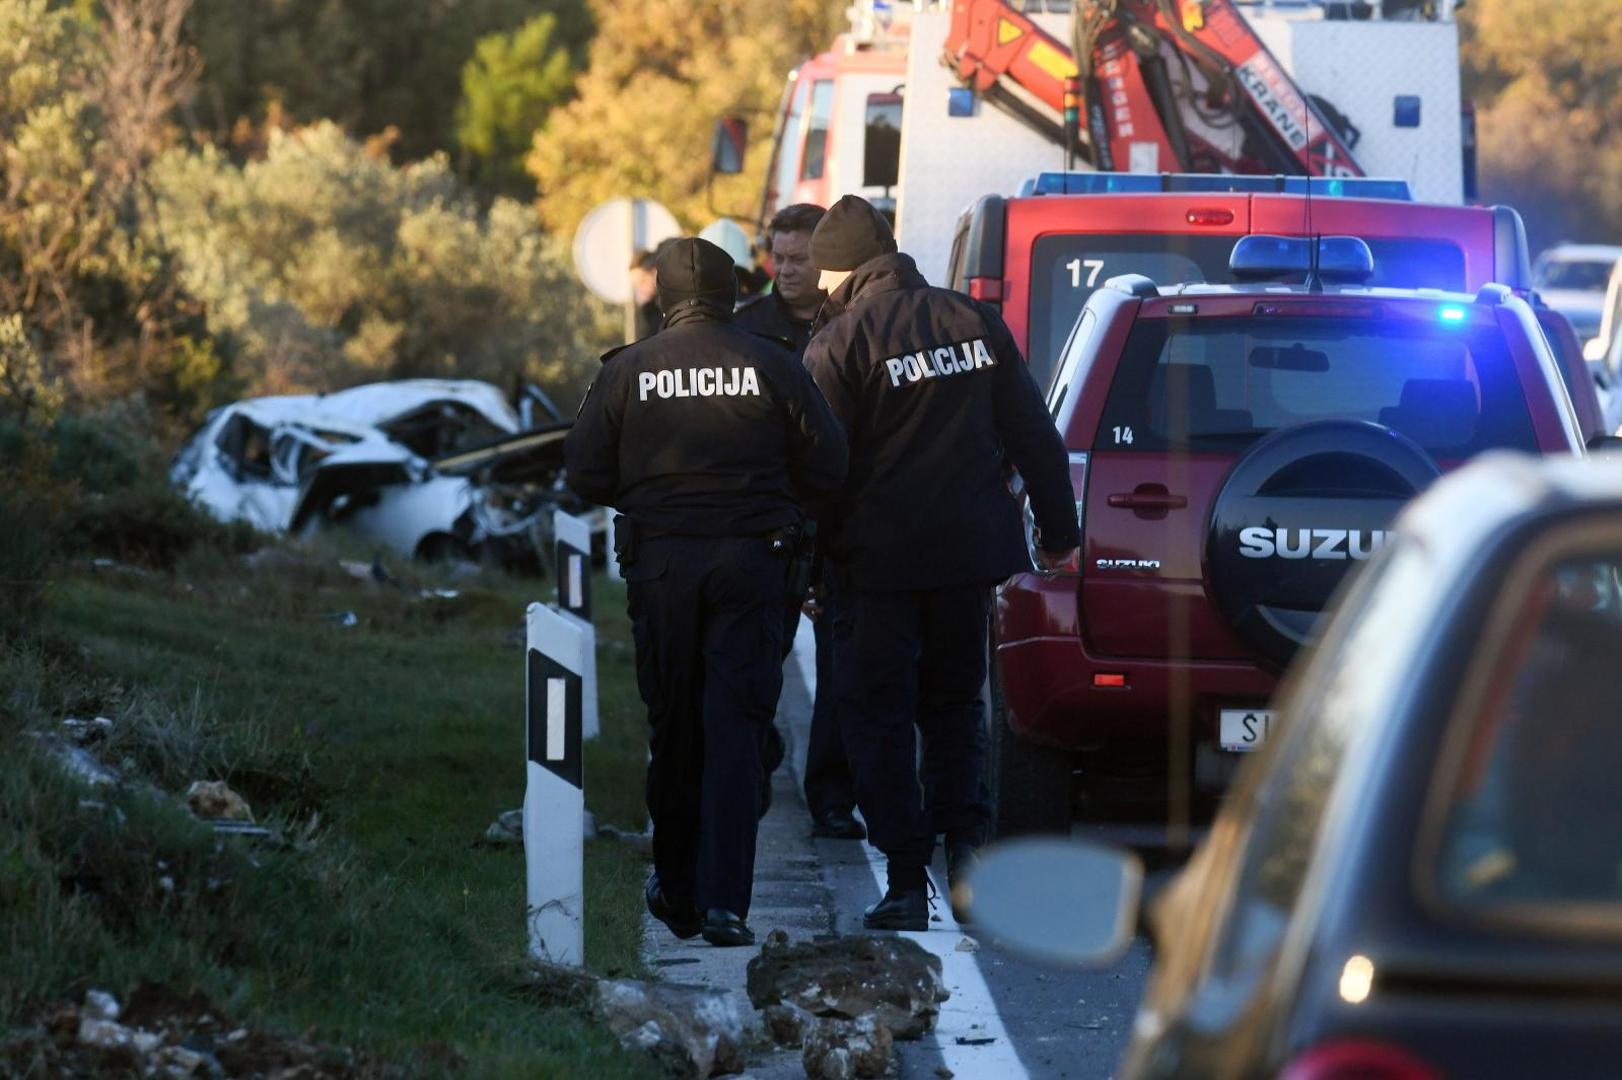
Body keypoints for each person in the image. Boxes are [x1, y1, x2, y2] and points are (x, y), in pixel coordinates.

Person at [803, 195, 1080, 930]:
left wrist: (808, 573)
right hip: (966, 561)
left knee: (880, 718)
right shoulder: (973, 320)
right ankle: (966, 864)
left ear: (841, 272)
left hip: (876, 568)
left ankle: (903, 881)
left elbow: (816, 474)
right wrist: (1060, 532)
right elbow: (1035, 436)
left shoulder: (839, 341)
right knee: (959, 710)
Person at [565, 237, 847, 947]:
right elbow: (830, 463)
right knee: (736, 731)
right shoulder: (774, 365)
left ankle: (678, 890)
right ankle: (726, 906)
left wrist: (651, 488)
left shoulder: (627, 370)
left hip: (662, 569)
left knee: (676, 727)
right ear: (729, 293)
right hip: (753, 566)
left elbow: (584, 477)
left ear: (661, 296)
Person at [737, 203, 865, 842]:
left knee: (842, 664)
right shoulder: (746, 328)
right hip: (770, 521)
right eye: (777, 258)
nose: (785, 271)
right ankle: (755, 767)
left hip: (840, 518)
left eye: (799, 260)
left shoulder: (849, 322)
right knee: (758, 655)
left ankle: (832, 798)